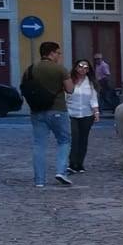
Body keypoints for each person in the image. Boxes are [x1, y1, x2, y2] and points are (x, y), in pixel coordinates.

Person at [21, 42, 74, 189]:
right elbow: (70, 89)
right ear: (51, 53)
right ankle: (61, 171)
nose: (59, 55)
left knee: (39, 145)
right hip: (57, 109)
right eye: (58, 52)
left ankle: (39, 181)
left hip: (37, 111)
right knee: (64, 140)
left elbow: (24, 88)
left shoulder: (29, 70)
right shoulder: (59, 69)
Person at [65, 58, 101, 174]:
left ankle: (80, 163)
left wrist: (96, 112)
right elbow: (65, 96)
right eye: (80, 66)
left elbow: (93, 98)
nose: (83, 69)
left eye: (86, 67)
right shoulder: (70, 81)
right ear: (76, 67)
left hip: (86, 114)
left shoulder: (90, 83)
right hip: (71, 113)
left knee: (83, 139)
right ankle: (72, 164)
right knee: (74, 138)